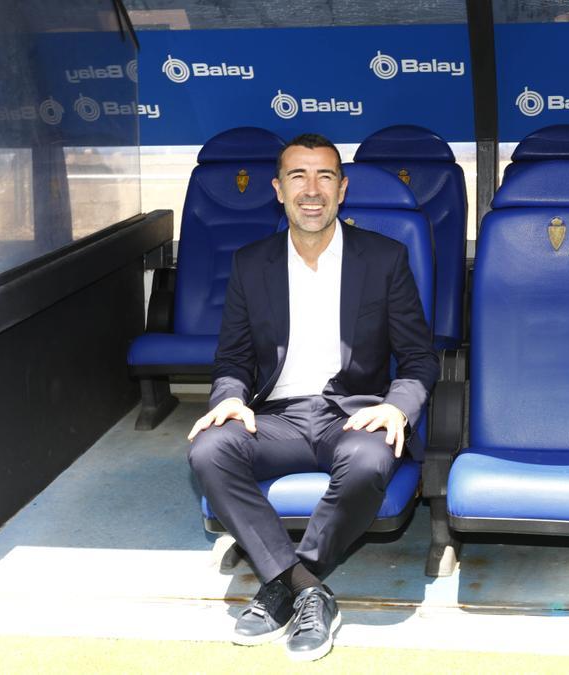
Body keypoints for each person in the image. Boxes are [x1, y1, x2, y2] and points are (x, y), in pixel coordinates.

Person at [186, 133, 438, 661]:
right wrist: (228, 397)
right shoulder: (250, 263)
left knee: (371, 460)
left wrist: (397, 406)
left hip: (351, 415)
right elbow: (232, 361)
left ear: (342, 189)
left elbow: (418, 360)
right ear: (278, 190)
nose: (311, 190)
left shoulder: (385, 259)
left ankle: (280, 586)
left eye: (325, 176)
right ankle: (307, 589)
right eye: (298, 176)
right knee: (208, 449)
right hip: (273, 417)